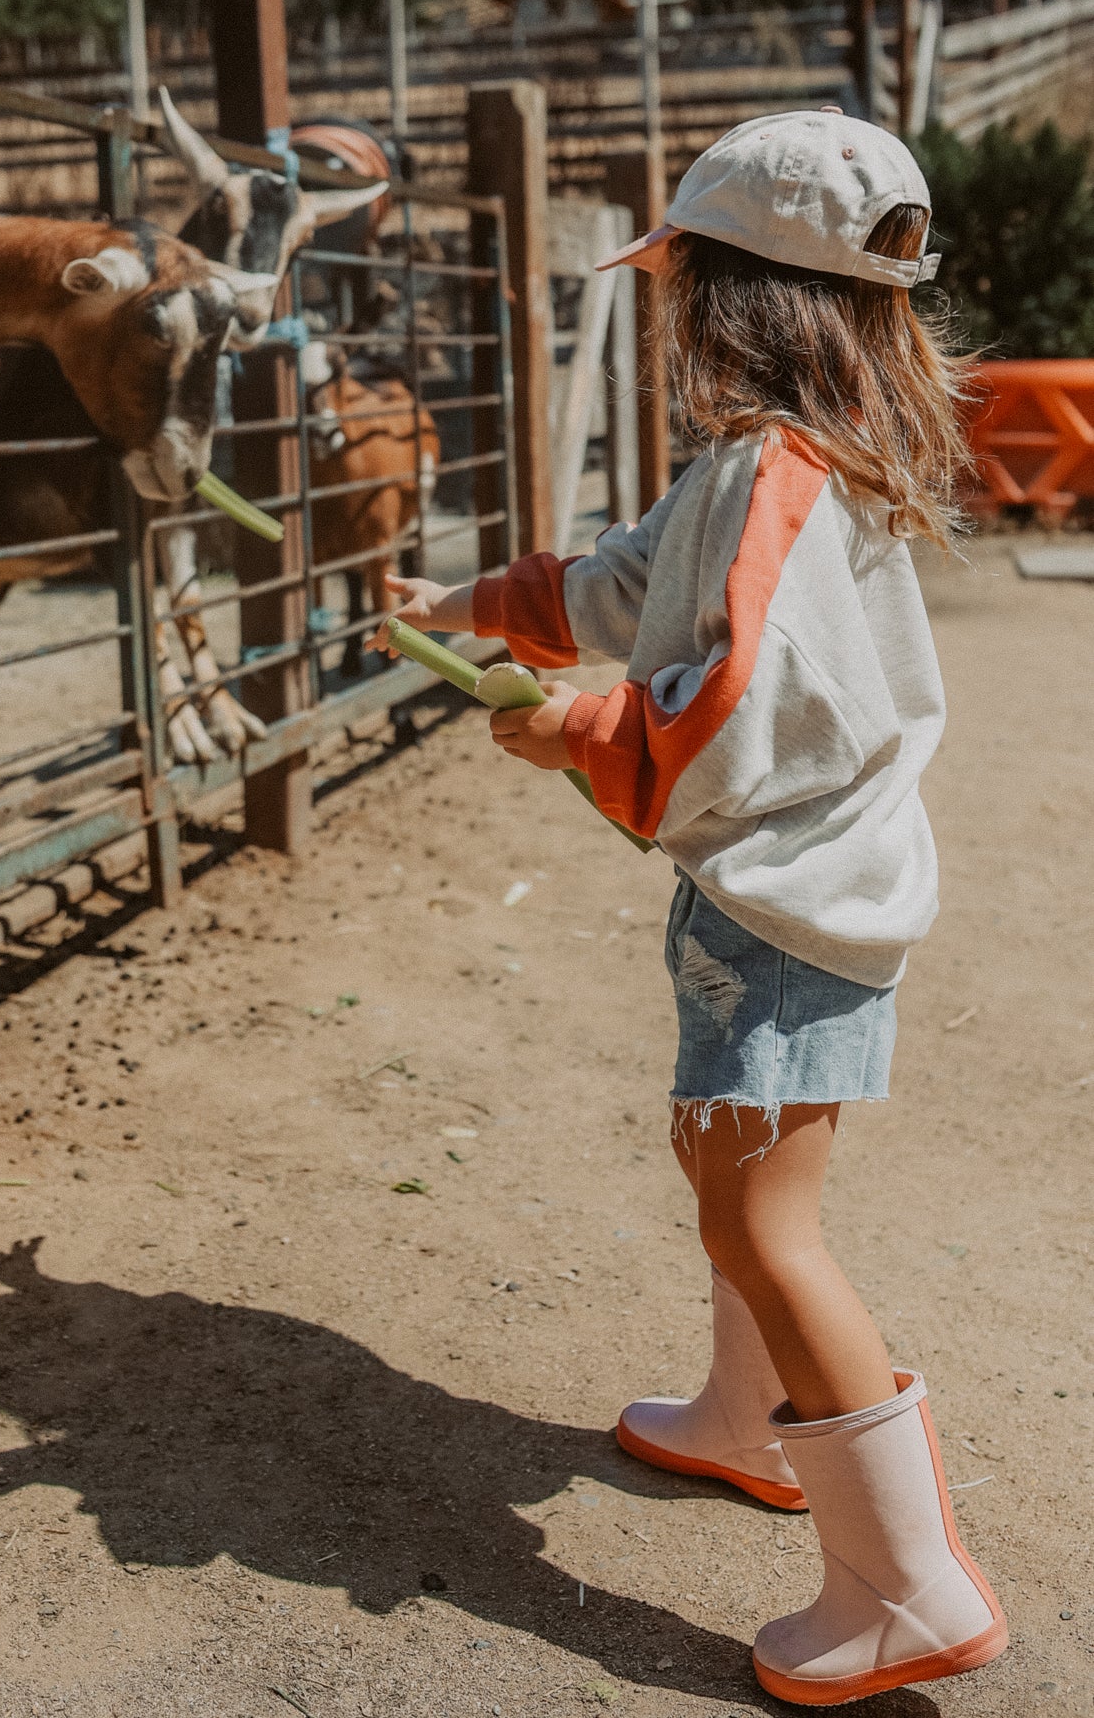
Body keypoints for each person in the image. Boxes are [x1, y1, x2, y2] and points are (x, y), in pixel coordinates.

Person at [370, 111, 1007, 1705]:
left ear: (727, 298)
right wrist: (460, 606)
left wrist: (571, 730)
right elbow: (625, 583)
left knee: (758, 1217)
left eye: (680, 281)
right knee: (722, 1162)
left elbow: (727, 709)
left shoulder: (775, 481)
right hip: (792, 890)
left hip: (785, 901)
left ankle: (903, 1585)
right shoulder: (776, 467)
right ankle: (744, 1426)